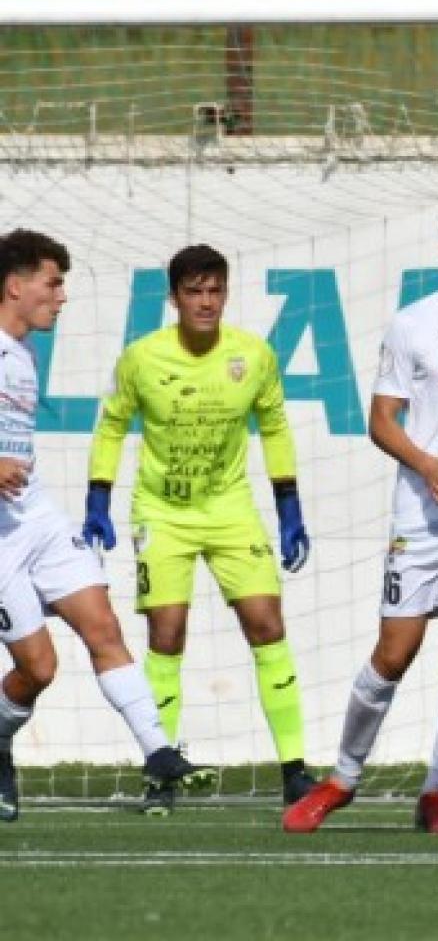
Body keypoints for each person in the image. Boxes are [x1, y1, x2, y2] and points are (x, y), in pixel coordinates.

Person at [283, 199, 438, 835]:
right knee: (395, 652)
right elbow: (381, 420)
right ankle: (343, 778)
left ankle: (436, 791)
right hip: (425, 515)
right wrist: (427, 465)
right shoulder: (413, 324)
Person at [82, 244, 313, 816]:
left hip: (230, 508)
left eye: (215, 291)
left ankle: (295, 771)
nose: (206, 302)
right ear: (174, 298)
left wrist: (289, 506)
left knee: (267, 624)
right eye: (194, 292)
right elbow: (111, 427)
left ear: (226, 293)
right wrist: (97, 499)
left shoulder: (253, 355)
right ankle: (160, 772)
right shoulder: (142, 358)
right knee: (167, 634)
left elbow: (275, 425)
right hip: (162, 512)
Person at [0, 229, 215, 821]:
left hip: (34, 515)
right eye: (52, 283)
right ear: (15, 286)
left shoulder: (24, 353)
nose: (61, 297)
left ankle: (160, 753)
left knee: (103, 625)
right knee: (39, 668)